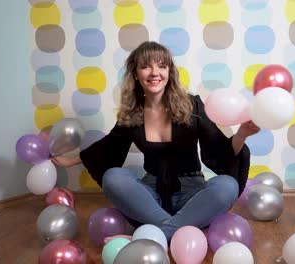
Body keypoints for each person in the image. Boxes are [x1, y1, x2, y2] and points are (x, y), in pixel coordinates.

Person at [51, 41, 260, 242]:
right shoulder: (133, 113)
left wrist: (242, 133)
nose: (154, 73)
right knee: (113, 177)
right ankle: (175, 230)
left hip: (192, 195)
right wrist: (70, 161)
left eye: (161, 66)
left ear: (169, 71)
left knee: (227, 185)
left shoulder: (192, 105)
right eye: (145, 66)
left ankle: (151, 236)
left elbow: (218, 148)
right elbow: (108, 147)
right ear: (135, 73)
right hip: (150, 199)